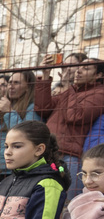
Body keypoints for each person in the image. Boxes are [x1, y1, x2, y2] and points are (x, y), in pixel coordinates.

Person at [35, 54, 104, 194]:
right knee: (45, 196)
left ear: (99, 75)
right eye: (78, 67)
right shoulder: (72, 91)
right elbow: (42, 108)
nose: (78, 71)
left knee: (67, 201)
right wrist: (46, 75)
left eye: (86, 68)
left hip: (68, 157)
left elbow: (74, 116)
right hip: (50, 153)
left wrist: (68, 87)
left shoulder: (100, 93)